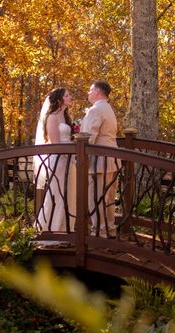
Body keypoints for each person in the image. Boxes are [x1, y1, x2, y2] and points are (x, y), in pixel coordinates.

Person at [34, 87, 77, 232]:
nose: (70, 97)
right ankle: (52, 230)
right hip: (58, 160)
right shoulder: (52, 117)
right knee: (57, 193)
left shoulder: (66, 117)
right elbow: (54, 142)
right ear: (59, 99)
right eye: (67, 95)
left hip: (69, 160)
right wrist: (68, 152)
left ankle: (66, 229)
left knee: (69, 193)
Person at [80, 81, 118, 238]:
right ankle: (109, 229)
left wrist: (80, 156)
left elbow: (88, 137)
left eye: (90, 90)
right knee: (108, 197)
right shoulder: (108, 108)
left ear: (97, 91)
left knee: (96, 197)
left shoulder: (95, 110)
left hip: (99, 161)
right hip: (112, 159)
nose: (88, 93)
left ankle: (99, 232)